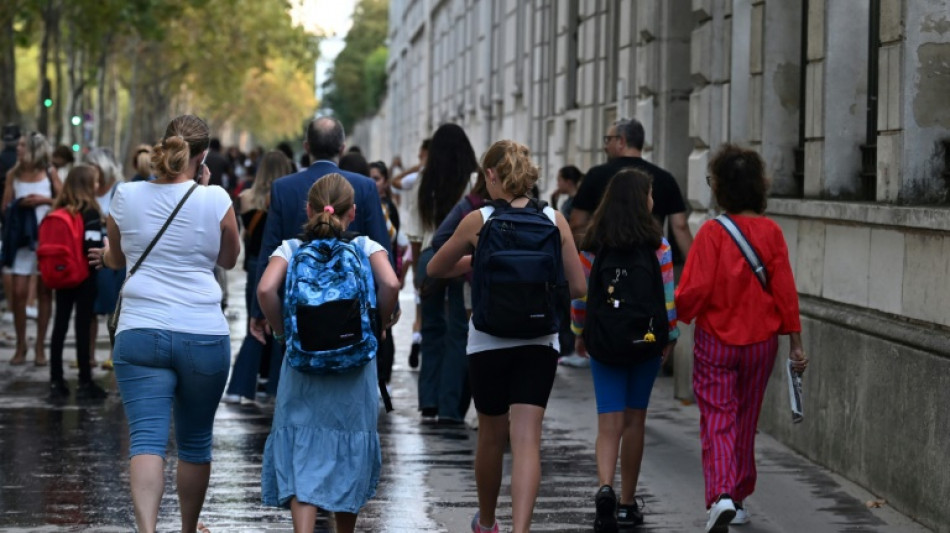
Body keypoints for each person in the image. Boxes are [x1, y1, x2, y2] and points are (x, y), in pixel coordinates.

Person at [90, 114, 240, 533]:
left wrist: (107, 255)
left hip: (140, 331)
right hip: (203, 334)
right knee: (194, 443)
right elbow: (228, 259)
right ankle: (189, 529)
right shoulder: (216, 199)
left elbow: (117, 260)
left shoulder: (126, 195)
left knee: (146, 441)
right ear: (203, 155)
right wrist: (205, 193)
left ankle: (148, 530)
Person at [427, 140, 586, 533]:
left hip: (487, 340)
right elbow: (579, 286)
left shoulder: (477, 220)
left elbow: (434, 268)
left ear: (493, 175)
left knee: (491, 436)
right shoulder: (554, 219)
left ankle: (486, 521)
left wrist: (475, 259)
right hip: (539, 338)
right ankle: (521, 529)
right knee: (528, 438)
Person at [675, 144, 807, 532]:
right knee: (746, 419)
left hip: (717, 339)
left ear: (720, 188)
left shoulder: (712, 233)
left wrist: (673, 315)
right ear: (757, 186)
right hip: (762, 343)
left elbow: (693, 292)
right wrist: (796, 342)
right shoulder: (772, 231)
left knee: (718, 417)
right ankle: (740, 495)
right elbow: (785, 290)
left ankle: (721, 495)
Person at [257, 173, 399, 533]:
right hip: (354, 367)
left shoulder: (290, 249)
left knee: (303, 453)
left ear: (308, 209)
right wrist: (379, 324)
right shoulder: (366, 246)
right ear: (353, 213)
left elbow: (265, 289)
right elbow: (391, 283)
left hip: (303, 365)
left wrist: (283, 332)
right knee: (348, 453)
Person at [570, 169, 679, 531]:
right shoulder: (658, 246)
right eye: (649, 194)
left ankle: (605, 488)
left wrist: (579, 332)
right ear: (640, 200)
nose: (653, 200)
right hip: (646, 342)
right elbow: (667, 299)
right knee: (635, 421)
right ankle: (627, 504)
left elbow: (582, 297)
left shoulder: (593, 244)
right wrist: (670, 337)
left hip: (605, 340)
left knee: (608, 422)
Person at [249, 116, 390, 395]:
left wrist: (261, 314)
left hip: (301, 318)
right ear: (342, 147)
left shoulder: (283, 187)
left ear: (306, 146)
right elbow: (381, 246)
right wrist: (382, 318)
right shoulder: (364, 186)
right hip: (352, 323)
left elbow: (269, 249)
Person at [412, 124, 477, 424]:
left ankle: (428, 400)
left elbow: (415, 233)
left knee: (431, 329)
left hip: (429, 256)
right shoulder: (474, 180)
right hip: (462, 257)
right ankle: (450, 408)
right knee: (458, 332)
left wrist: (418, 275)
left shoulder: (424, 179)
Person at [222, 150, 294, 404]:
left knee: (256, 320)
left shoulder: (245, 198)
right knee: (279, 320)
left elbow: (244, 236)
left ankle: (242, 384)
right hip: (283, 263)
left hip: (254, 264)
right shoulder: (288, 197)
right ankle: (274, 383)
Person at [570, 118, 693, 258]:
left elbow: (577, 223)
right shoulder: (665, 178)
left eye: (608, 140)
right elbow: (680, 226)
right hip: (651, 261)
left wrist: (578, 261)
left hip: (603, 260)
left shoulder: (595, 175)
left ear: (621, 141)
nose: (605, 146)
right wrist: (695, 268)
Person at [47, 164, 108, 400]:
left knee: (60, 325)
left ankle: (56, 381)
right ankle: (84, 382)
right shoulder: (90, 212)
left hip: (62, 274)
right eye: (94, 181)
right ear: (85, 184)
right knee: (82, 327)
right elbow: (90, 248)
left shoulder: (60, 208)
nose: (97, 185)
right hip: (84, 276)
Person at [2, 131, 61, 366]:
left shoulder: (49, 173)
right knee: (17, 293)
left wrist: (44, 201)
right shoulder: (13, 174)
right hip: (21, 241)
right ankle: (20, 345)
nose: (18, 148)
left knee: (45, 293)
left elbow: (66, 199)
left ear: (35, 148)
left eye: (23, 146)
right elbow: (4, 207)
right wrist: (19, 204)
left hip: (47, 239)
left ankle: (39, 347)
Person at [368, 160, 406, 391]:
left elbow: (396, 240)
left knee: (385, 325)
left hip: (383, 271)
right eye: (369, 177)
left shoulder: (387, 207)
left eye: (377, 178)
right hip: (372, 273)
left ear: (384, 182)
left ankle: (384, 379)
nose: (373, 183)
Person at [392, 138, 430, 369]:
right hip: (435, 248)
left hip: (420, 246)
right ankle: (422, 339)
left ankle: (417, 337)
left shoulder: (419, 177)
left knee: (420, 309)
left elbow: (396, 182)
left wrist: (415, 167)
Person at [85, 147, 125, 368]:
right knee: (90, 307)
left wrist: (105, 220)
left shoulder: (120, 189)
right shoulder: (88, 190)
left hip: (113, 254)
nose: (90, 170)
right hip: (89, 253)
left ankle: (114, 354)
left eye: (93, 166)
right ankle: (89, 356)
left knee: (114, 308)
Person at [551, 165, 586, 367]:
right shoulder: (568, 201)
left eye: (560, 180)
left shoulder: (577, 203)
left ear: (568, 181)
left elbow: (568, 225)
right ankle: (567, 346)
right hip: (566, 255)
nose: (558, 184)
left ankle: (570, 346)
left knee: (568, 303)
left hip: (572, 256)